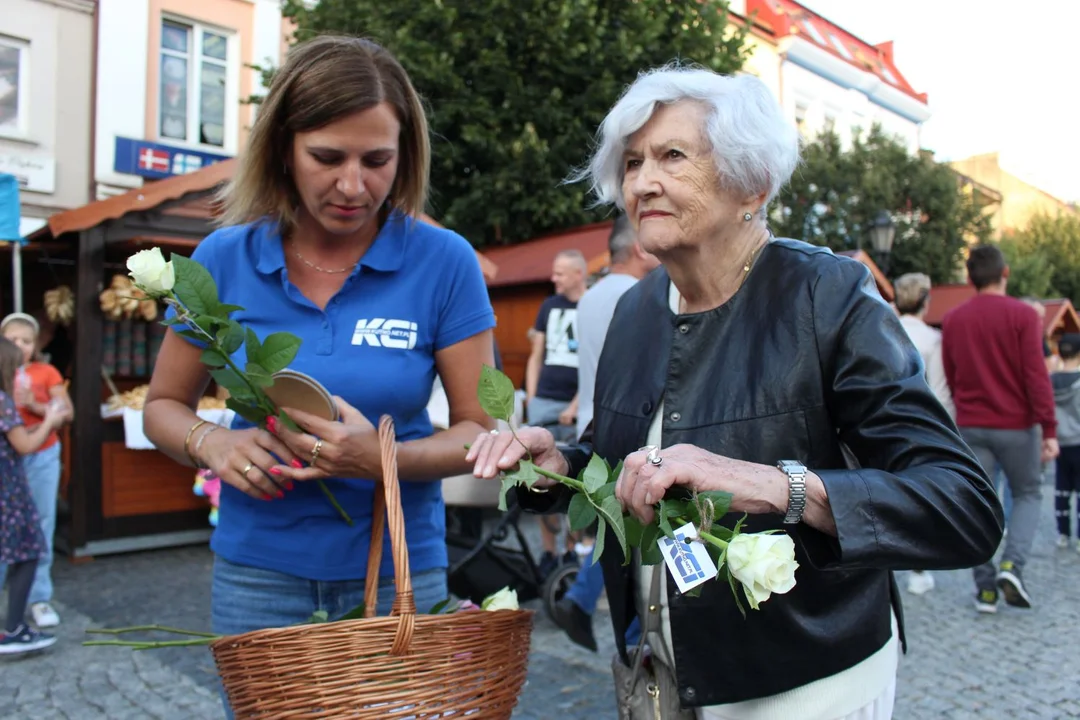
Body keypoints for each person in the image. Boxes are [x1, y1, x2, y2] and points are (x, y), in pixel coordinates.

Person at [469, 66, 999, 719]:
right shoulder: (635, 310)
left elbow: (962, 505)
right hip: (663, 668)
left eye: (672, 156)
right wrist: (561, 469)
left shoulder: (826, 295)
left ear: (751, 183)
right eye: (632, 163)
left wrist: (779, 486)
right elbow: (628, 470)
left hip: (806, 680)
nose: (642, 182)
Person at [141, 35, 496, 713]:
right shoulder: (222, 258)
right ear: (282, 148)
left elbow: (486, 432)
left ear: (405, 156)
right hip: (258, 575)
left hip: (398, 572)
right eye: (327, 157)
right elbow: (163, 404)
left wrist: (381, 457)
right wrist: (213, 443)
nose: (353, 184)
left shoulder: (443, 262)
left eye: (377, 160)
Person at [553, 213, 658, 651]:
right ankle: (633, 633)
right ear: (637, 246)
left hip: (590, 429)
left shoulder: (590, 299)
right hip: (628, 430)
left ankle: (583, 599)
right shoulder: (642, 296)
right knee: (631, 532)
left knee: (611, 527)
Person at [942, 245, 1058, 614]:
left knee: (979, 505)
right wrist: (1049, 429)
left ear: (970, 277)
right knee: (1027, 494)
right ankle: (1013, 566)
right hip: (1018, 427)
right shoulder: (1023, 316)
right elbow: (1035, 376)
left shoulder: (955, 319)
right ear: (1004, 273)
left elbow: (953, 374)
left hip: (972, 424)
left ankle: (986, 588)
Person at [0, 312, 73, 629]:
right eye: (12, 340)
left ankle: (38, 597)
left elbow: (65, 412)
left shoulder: (46, 372)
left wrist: (35, 405)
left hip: (40, 455)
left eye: (26, 340)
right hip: (8, 460)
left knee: (41, 523)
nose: (20, 346)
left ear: (36, 344)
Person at [526, 249, 588, 573]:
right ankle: (548, 555)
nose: (554, 278)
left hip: (576, 408)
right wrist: (532, 396)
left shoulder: (591, 306)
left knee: (573, 481)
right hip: (545, 402)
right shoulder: (549, 306)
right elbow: (536, 353)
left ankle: (571, 551)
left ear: (579, 273)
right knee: (539, 479)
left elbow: (597, 361)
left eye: (561, 273)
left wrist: (576, 405)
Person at [893, 273, 954, 597]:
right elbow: (941, 393)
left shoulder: (877, 326)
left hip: (876, 426)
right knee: (920, 497)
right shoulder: (933, 339)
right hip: (919, 426)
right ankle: (918, 565)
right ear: (925, 299)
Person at [1052, 333, 1080, 551]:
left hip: (1059, 441)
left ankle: (1062, 533)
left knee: (1061, 488)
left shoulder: (1050, 380)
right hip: (1079, 441)